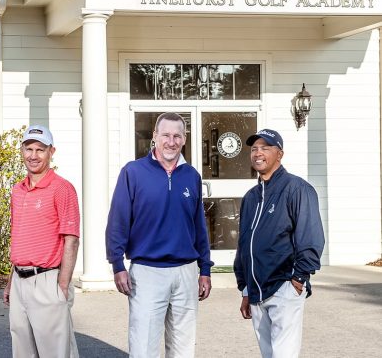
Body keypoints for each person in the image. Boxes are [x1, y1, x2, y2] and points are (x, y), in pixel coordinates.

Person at [106, 112, 213, 358]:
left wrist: (205, 269)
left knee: (183, 349)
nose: (171, 141)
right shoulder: (133, 172)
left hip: (186, 273)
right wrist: (116, 264)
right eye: (165, 135)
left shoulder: (192, 176)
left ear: (184, 139)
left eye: (177, 136)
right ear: (155, 137)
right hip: (147, 273)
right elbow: (118, 221)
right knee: (143, 347)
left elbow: (199, 227)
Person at [233, 128, 325, 358]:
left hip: (284, 286)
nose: (258, 153)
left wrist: (299, 278)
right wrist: (245, 288)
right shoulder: (250, 197)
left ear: (280, 154)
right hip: (256, 293)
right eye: (254, 149)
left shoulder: (297, 189)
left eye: (265, 147)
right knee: (268, 354)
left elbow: (311, 238)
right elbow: (244, 245)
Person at [3, 125, 80, 358]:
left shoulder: (62, 189)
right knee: (22, 352)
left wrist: (63, 286)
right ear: (22, 151)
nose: (33, 155)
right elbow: (18, 237)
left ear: (51, 152)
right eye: (29, 149)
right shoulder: (18, 190)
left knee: (55, 353)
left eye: (40, 149)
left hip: (48, 280)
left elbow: (71, 239)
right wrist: (9, 282)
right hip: (19, 281)